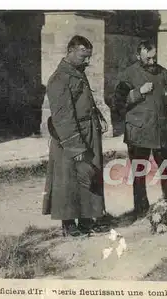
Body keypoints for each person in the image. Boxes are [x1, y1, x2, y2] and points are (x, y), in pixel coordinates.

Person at [42, 35, 111, 237]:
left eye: (89, 56)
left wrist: (98, 117)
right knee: (70, 178)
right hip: (70, 137)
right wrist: (77, 148)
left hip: (89, 132)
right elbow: (63, 118)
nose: (88, 61)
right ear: (70, 52)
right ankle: (69, 223)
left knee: (90, 174)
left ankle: (87, 218)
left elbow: (85, 101)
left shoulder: (77, 73)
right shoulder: (59, 79)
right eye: (84, 56)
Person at [108, 39, 167, 218]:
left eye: (154, 58)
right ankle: (141, 209)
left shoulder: (163, 72)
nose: (152, 62)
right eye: (148, 59)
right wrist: (138, 92)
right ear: (138, 56)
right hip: (139, 132)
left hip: (162, 130)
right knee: (140, 172)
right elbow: (116, 102)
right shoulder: (129, 75)